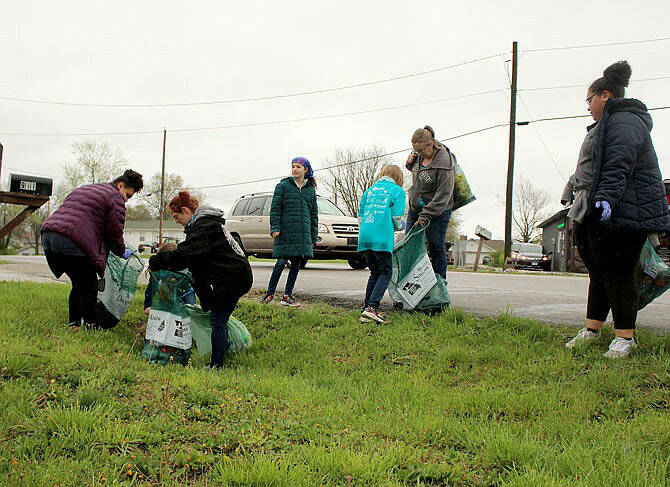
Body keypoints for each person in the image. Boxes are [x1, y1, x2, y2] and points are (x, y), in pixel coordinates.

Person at [564, 61, 670, 358]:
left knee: (619, 274)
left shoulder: (625, 122)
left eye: (589, 100)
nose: (587, 107)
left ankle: (625, 336)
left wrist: (607, 199)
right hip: (594, 208)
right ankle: (592, 329)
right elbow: (591, 168)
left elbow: (618, 164)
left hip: (623, 210)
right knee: (599, 273)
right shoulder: (606, 124)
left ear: (605, 95)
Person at [148, 191, 252, 368]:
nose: (177, 220)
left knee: (218, 320)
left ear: (186, 210)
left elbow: (185, 255)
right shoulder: (209, 225)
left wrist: (157, 261)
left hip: (232, 279)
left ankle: (217, 365)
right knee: (219, 318)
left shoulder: (204, 227)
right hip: (236, 276)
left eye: (176, 216)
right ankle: (222, 354)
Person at [41, 169, 144, 329]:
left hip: (49, 237)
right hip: (72, 240)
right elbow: (114, 232)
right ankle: (90, 325)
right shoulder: (115, 197)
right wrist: (121, 251)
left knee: (79, 283)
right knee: (89, 286)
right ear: (120, 185)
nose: (126, 200)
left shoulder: (84, 189)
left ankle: (74, 324)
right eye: (128, 195)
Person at [260, 157, 318, 307]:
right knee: (280, 263)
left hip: (302, 233)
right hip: (285, 232)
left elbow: (313, 215)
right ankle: (269, 294)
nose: (294, 169)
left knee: (296, 264)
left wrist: (313, 236)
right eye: (293, 166)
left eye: (298, 166)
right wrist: (275, 228)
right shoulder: (283, 186)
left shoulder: (310, 190)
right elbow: (275, 209)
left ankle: (287, 295)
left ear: (305, 169)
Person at [405, 125, 455, 280]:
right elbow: (418, 176)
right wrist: (409, 164)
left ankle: (439, 287)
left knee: (436, 248)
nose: (418, 153)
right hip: (416, 208)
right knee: (410, 246)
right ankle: (414, 287)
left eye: (421, 150)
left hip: (437, 212)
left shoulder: (444, 164)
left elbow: (443, 196)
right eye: (415, 150)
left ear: (431, 144)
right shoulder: (419, 156)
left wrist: (426, 215)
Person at [357, 165, 406, 323]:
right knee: (386, 273)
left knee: (374, 272)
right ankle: (372, 308)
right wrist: (402, 226)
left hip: (365, 237)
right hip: (382, 238)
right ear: (398, 178)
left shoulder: (369, 191)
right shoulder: (397, 191)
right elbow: (396, 219)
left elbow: (360, 217)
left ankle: (366, 308)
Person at [143, 242, 196, 316]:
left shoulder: (182, 266)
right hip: (167, 295)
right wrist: (148, 306)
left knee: (188, 315)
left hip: (184, 293)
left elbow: (151, 287)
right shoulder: (158, 267)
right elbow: (151, 287)